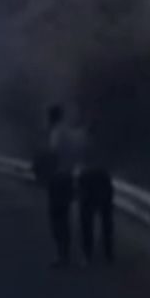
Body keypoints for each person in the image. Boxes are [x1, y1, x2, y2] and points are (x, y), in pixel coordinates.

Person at [43, 104, 84, 267]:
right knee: (64, 216)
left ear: (51, 117)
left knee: (56, 217)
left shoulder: (56, 134)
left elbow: (53, 156)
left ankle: (62, 255)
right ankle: (65, 253)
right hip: (68, 176)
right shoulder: (68, 133)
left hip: (57, 179)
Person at [77, 120, 115, 264]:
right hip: (101, 179)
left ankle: (88, 253)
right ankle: (108, 252)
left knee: (87, 219)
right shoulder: (105, 145)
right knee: (105, 219)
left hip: (88, 179)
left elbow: (77, 162)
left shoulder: (82, 145)